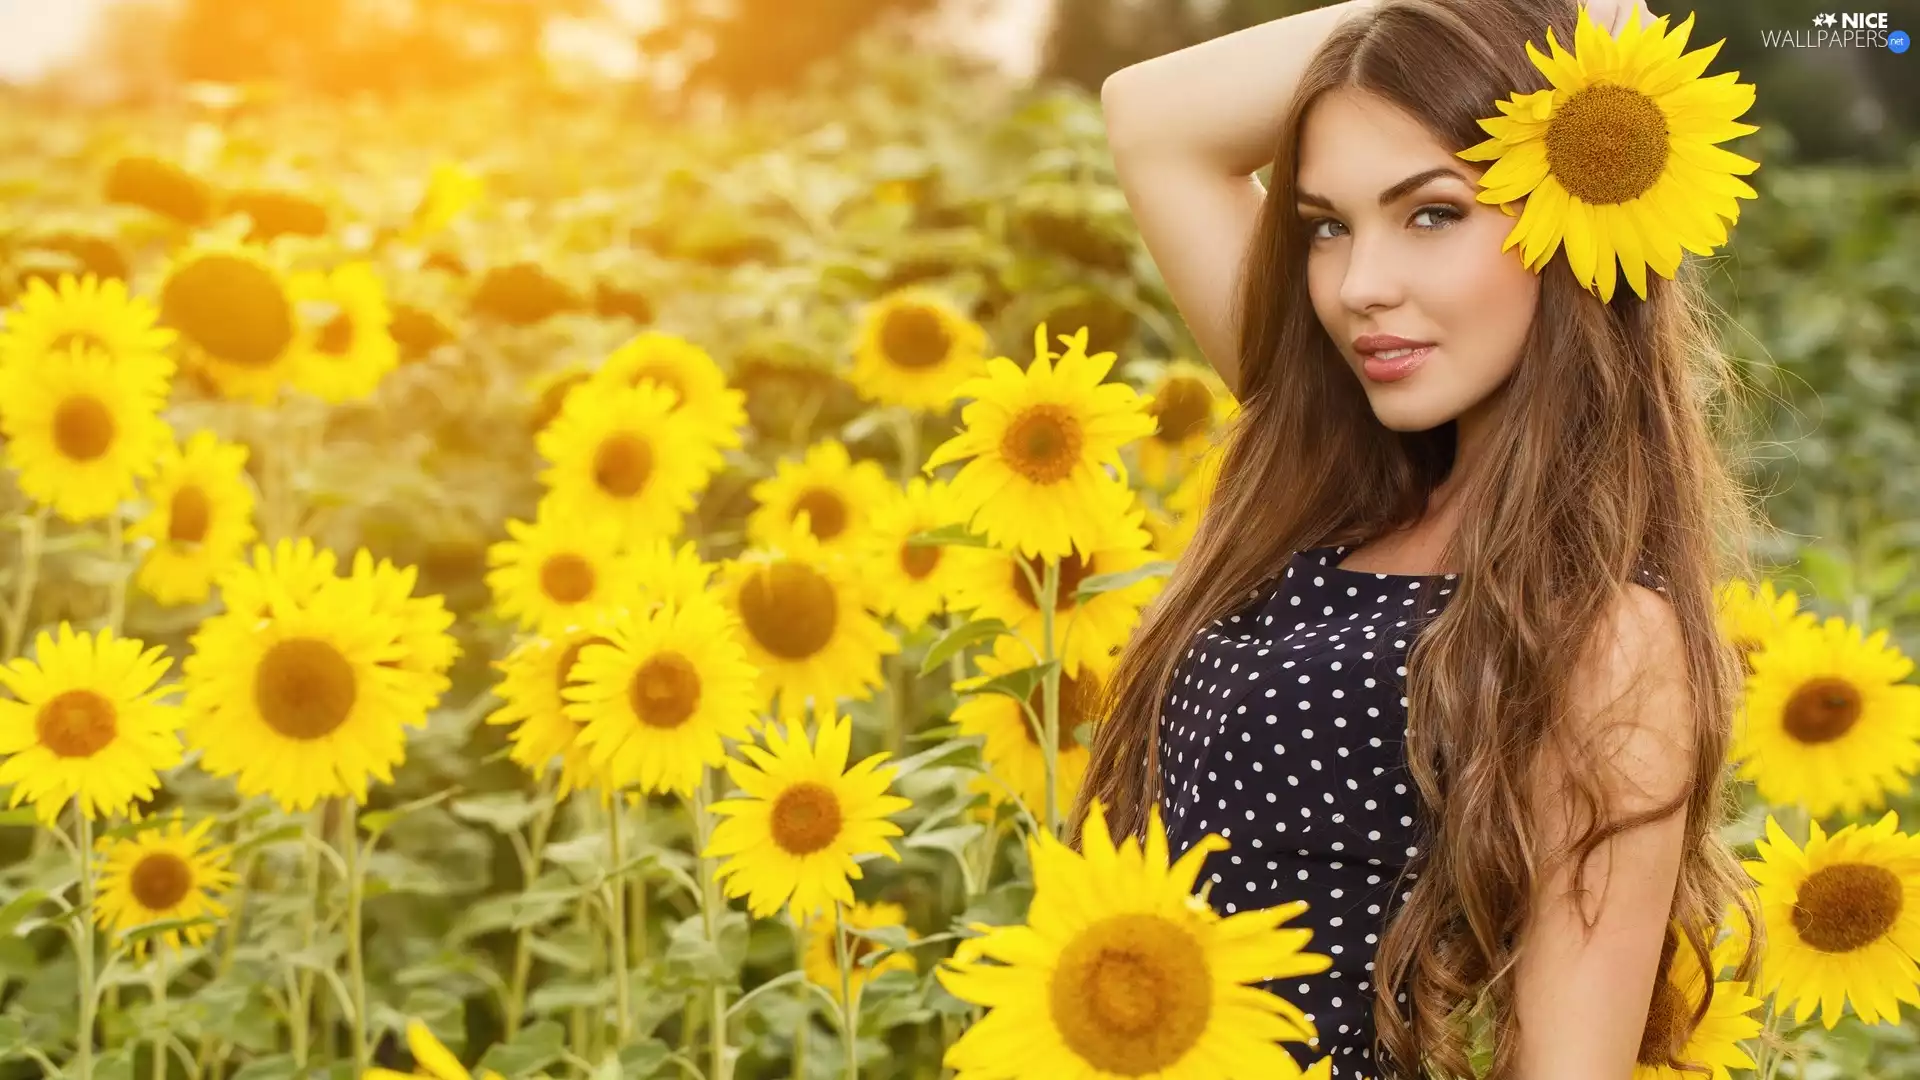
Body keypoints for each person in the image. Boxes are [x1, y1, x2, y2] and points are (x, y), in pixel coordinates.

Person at [1082, 0, 1767, 1076]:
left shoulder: (1608, 639)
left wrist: (1568, 80)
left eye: (1433, 214)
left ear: (1570, 224)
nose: (1360, 288)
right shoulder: (1324, 474)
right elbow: (1150, 117)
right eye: (1326, 225)